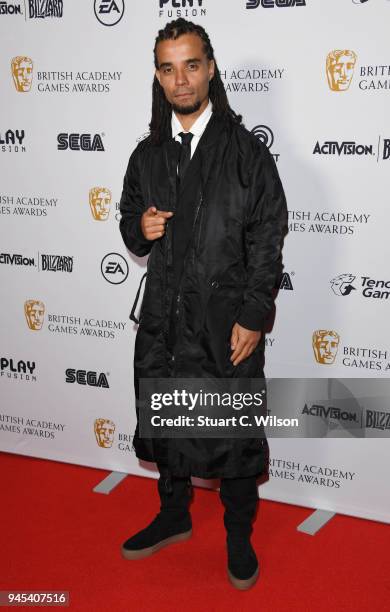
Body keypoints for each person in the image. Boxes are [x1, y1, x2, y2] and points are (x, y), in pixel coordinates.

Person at [118, 18, 288, 590]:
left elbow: (268, 237)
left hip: (224, 327)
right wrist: (139, 228)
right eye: (168, 68)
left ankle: (238, 537)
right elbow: (129, 220)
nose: (181, 79)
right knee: (168, 426)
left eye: (191, 65)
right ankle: (173, 516)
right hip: (165, 322)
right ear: (158, 76)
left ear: (211, 68)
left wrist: (254, 314)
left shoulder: (246, 155)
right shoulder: (148, 154)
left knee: (235, 435)